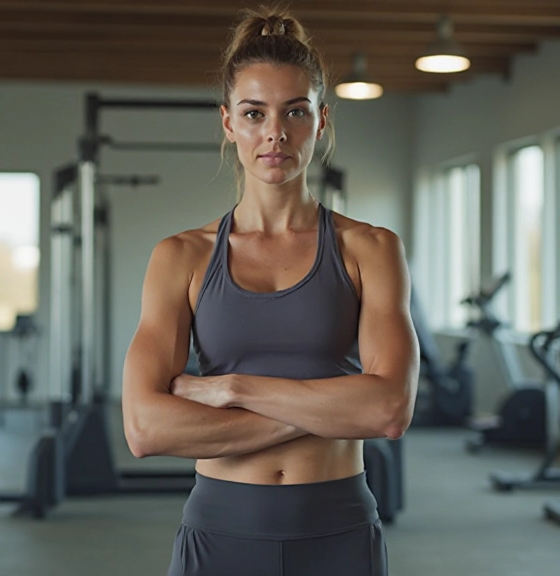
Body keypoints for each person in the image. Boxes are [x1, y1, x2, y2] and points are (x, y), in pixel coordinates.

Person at [121, 7, 419, 576]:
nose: (275, 133)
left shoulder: (371, 250)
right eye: (255, 113)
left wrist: (231, 388)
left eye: (295, 112)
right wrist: (336, 406)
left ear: (321, 120)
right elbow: (145, 428)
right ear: (229, 123)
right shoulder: (181, 256)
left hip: (338, 526)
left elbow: (388, 410)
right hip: (221, 529)